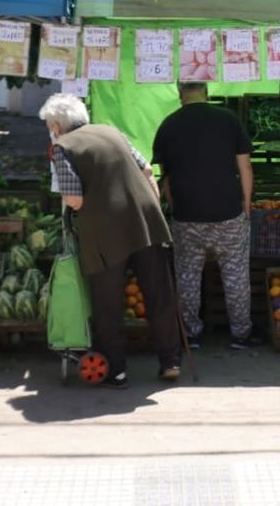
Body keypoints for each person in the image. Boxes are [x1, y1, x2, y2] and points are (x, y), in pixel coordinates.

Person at [41, 94, 181, 388]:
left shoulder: (62, 148)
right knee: (159, 293)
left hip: (105, 233)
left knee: (107, 304)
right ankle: (171, 362)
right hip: (147, 222)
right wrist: (150, 209)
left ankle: (117, 371)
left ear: (56, 126)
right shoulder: (112, 132)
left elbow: (75, 200)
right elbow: (146, 171)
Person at [152, 82, 261, 350]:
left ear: (180, 93)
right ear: (206, 91)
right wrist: (246, 203)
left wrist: (176, 205)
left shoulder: (168, 125)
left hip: (187, 214)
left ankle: (190, 335)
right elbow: (245, 166)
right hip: (228, 212)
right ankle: (241, 335)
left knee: (188, 275)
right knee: (235, 274)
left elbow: (165, 176)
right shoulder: (228, 119)